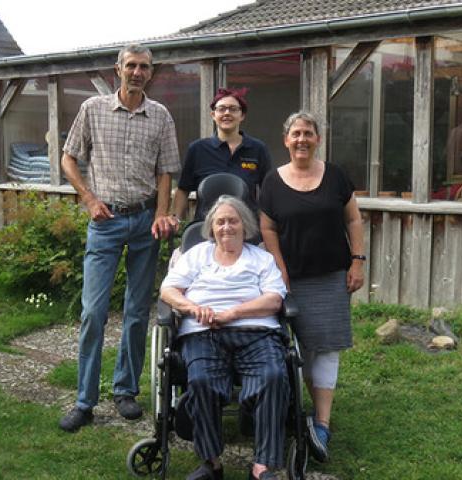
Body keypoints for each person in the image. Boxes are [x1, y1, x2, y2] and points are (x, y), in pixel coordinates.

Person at [58, 44, 181, 432]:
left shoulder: (160, 115)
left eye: (144, 66)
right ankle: (84, 401)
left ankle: (125, 390)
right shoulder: (93, 109)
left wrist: (161, 213)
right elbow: (68, 157)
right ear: (118, 69)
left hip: (145, 221)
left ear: (151, 72)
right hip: (106, 221)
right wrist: (88, 198)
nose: (137, 72)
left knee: (136, 311)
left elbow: (166, 171)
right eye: (131, 65)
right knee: (93, 312)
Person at [259, 111, 365, 463]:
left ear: (318, 139)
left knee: (327, 347)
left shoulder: (335, 176)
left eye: (308, 133)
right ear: (286, 140)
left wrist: (357, 260)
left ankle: (321, 423)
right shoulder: (272, 182)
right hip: (292, 278)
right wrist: (279, 267)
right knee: (301, 348)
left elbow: (353, 219)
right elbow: (268, 228)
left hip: (332, 275)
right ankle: (302, 409)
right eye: (296, 134)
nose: (301, 139)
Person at [160, 196, 289, 480]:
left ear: (245, 226)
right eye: (220, 222)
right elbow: (168, 290)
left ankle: (262, 466)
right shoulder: (196, 255)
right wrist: (192, 308)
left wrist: (233, 313)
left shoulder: (261, 258)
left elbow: (274, 300)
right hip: (203, 332)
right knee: (201, 381)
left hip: (256, 331)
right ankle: (211, 463)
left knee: (273, 375)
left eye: (233, 221)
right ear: (211, 228)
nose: (226, 227)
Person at [172, 87, 272, 223]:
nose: (227, 113)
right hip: (206, 227)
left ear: (242, 115)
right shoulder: (197, 149)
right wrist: (177, 221)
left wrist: (266, 227)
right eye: (221, 109)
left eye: (233, 109)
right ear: (213, 115)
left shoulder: (257, 149)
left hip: (246, 227)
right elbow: (183, 190)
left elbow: (268, 192)